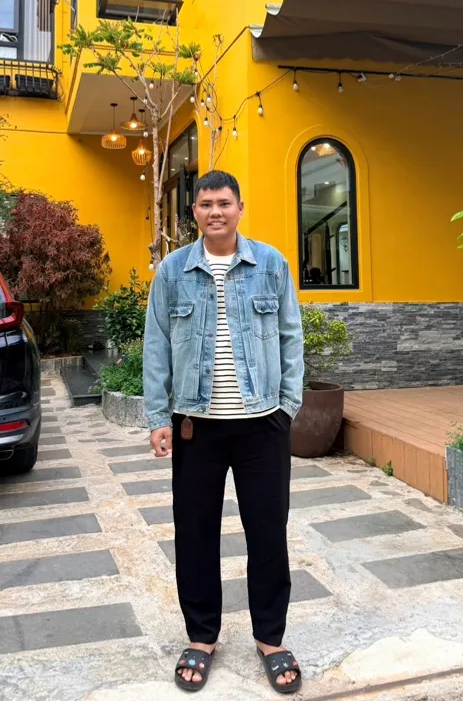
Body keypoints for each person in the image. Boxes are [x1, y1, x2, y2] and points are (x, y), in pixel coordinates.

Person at [144, 170, 305, 694]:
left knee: (268, 532)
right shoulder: (173, 271)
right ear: (194, 211)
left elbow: (291, 336)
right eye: (206, 204)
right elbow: (156, 345)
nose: (216, 212)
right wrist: (158, 417)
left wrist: (288, 407)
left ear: (240, 208)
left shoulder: (271, 264)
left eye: (224, 203)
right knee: (195, 535)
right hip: (197, 426)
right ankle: (201, 637)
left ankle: (271, 639)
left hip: (263, 425)